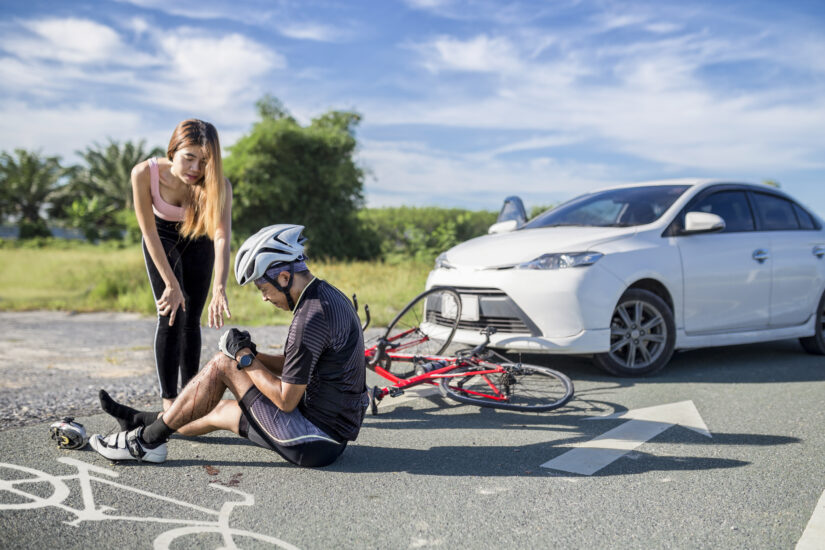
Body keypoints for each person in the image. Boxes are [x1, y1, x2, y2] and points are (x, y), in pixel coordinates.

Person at [91, 224, 369, 468]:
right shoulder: (325, 296)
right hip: (328, 437)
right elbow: (291, 365)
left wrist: (243, 357)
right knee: (219, 410)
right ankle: (142, 420)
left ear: (284, 278)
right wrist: (254, 353)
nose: (264, 298)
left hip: (312, 441)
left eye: (263, 288)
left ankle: (146, 442)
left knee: (223, 365)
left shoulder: (309, 318)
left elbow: (285, 401)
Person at [132, 119, 233, 411]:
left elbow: (221, 236)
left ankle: (191, 400)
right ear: (173, 150)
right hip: (161, 237)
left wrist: (219, 287)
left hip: (199, 240)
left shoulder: (219, 185)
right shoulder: (144, 173)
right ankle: (170, 402)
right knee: (172, 314)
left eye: (204, 161)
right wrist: (171, 284)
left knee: (191, 321)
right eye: (189, 157)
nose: (195, 168)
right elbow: (149, 233)